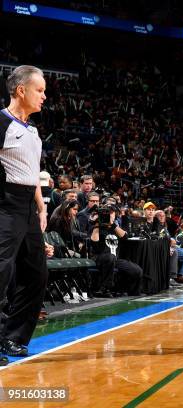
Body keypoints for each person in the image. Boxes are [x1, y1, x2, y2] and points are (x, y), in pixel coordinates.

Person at [0, 65, 48, 362]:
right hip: (6, 203)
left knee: (37, 275)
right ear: (21, 90)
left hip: (30, 207)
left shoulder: (33, 129)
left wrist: (42, 208)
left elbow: (31, 174)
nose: (44, 97)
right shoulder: (1, 122)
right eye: (39, 90)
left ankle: (12, 337)